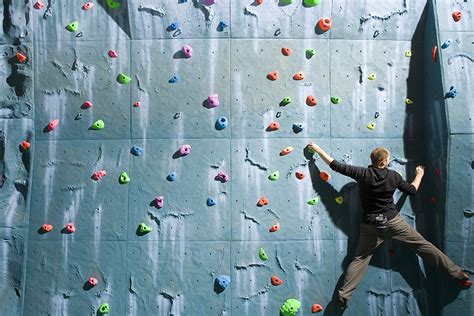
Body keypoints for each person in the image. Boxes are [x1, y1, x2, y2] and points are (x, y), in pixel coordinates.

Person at [306, 142, 471, 310]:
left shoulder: (363, 174)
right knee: (423, 246)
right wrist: (419, 175)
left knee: (359, 260)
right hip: (393, 223)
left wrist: (317, 150)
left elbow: (335, 165)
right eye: (388, 160)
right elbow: (412, 190)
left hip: (371, 226)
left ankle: (343, 297)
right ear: (384, 162)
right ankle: (457, 274)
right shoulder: (394, 176)